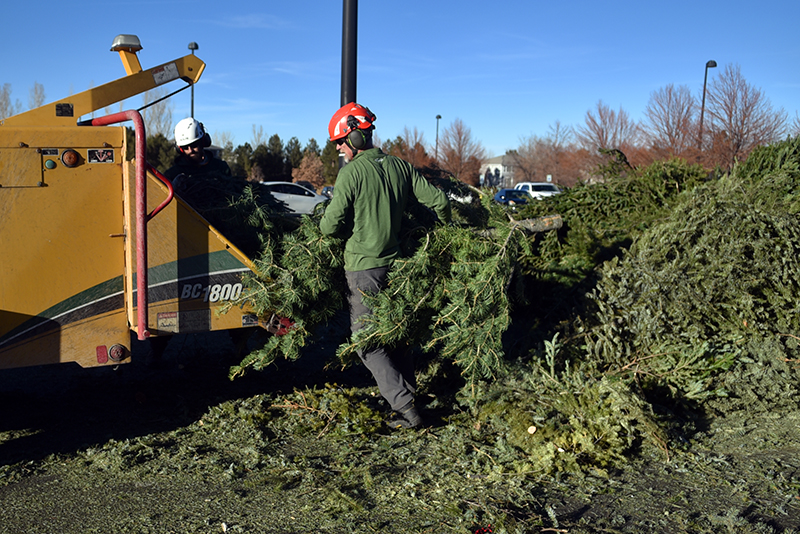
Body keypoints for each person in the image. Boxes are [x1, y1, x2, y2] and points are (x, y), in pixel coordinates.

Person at [319, 102, 452, 429]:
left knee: (366, 342)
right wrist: (442, 238)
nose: (338, 148)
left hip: (364, 268)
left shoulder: (351, 172)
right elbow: (439, 201)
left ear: (355, 137)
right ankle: (403, 395)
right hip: (398, 266)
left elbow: (328, 227)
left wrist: (346, 225)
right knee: (395, 333)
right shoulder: (401, 166)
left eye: (340, 141)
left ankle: (406, 408)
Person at [164, 117, 232, 192]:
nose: (190, 150)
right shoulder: (172, 174)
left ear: (203, 142)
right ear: (180, 149)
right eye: (185, 147)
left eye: (194, 145)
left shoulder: (221, 167)